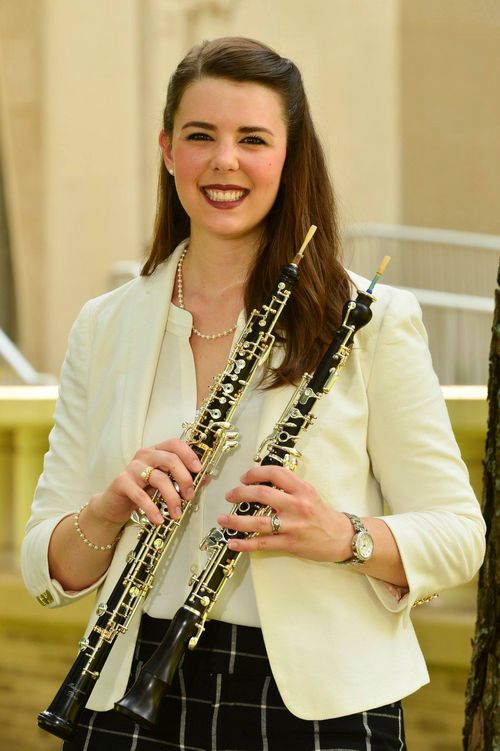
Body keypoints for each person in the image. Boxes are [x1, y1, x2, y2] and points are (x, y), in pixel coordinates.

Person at [22, 37, 485, 751]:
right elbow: (46, 564)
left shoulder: (368, 321)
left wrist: (345, 536)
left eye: (253, 139)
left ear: (290, 156)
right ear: (167, 150)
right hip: (122, 686)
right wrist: (108, 508)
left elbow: (460, 535)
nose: (224, 161)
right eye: (199, 136)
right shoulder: (105, 325)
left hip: (320, 707)